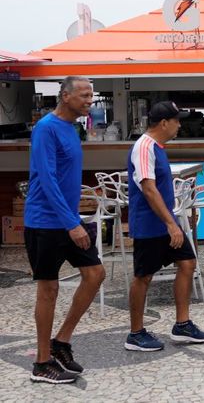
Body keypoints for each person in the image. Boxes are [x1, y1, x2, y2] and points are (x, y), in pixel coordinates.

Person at [24, 76, 105, 384]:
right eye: (84, 95)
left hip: (67, 218)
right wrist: (71, 223)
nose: (89, 101)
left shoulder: (72, 128)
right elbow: (47, 178)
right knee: (49, 289)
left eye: (91, 95)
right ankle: (42, 363)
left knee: (95, 274)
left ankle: (61, 341)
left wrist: (73, 218)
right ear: (66, 96)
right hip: (45, 222)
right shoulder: (46, 128)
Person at [124, 101, 204, 351]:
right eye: (176, 121)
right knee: (143, 276)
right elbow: (149, 189)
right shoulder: (143, 147)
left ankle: (182, 325)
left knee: (187, 263)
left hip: (165, 221)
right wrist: (171, 224)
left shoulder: (158, 147)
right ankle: (135, 333)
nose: (179, 125)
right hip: (149, 224)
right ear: (164, 123)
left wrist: (172, 221)